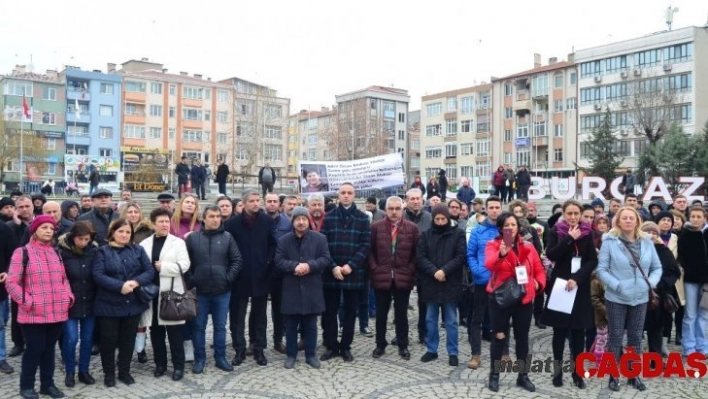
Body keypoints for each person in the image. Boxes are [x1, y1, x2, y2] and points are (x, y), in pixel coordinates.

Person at [6, 215, 74, 399]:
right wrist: (28, 301)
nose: (48, 231)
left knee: (49, 350)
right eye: (44, 227)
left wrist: (67, 296)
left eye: (51, 229)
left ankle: (47, 384)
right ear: (34, 230)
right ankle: (26, 386)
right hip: (33, 313)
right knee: (34, 349)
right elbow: (11, 282)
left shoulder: (55, 252)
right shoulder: (23, 252)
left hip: (57, 311)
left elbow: (63, 279)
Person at [597, 206, 662, 392]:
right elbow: (601, 270)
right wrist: (617, 285)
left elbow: (657, 267)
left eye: (631, 218)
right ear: (617, 221)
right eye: (624, 218)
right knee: (616, 336)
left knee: (635, 336)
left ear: (637, 221)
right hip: (616, 296)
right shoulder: (610, 241)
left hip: (640, 296)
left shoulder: (647, 242)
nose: (627, 221)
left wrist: (650, 283)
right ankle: (613, 374)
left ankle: (633, 374)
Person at [485, 212, 546, 392]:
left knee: (522, 339)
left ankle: (523, 375)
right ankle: (494, 374)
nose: (510, 228)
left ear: (518, 227)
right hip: (501, 299)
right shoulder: (493, 245)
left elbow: (539, 269)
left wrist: (537, 283)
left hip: (523, 299)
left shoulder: (528, 246)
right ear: (500, 229)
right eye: (506, 225)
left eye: (513, 224)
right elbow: (489, 264)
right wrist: (502, 255)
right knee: (499, 337)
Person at [541, 200, 597, 389]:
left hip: (579, 287)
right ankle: (557, 372)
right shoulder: (556, 231)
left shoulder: (588, 232)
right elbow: (552, 255)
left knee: (578, 332)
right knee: (559, 331)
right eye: (569, 213)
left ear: (580, 214)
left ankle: (577, 373)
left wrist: (578, 278)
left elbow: (591, 261)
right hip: (561, 286)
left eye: (576, 213)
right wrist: (569, 239)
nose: (573, 217)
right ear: (563, 214)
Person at [92, 218, 154, 387]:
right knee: (108, 340)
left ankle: (124, 371)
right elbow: (98, 275)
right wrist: (120, 286)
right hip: (108, 304)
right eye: (121, 231)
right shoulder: (102, 252)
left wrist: (136, 282)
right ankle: (109, 372)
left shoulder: (138, 250)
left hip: (132, 304)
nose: (124, 235)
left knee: (128, 339)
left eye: (128, 232)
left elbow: (149, 270)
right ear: (112, 233)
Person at [187, 205, 242, 374]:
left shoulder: (227, 237)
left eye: (218, 216)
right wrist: (192, 280)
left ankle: (220, 358)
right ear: (204, 218)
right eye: (211, 216)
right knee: (198, 327)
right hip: (200, 291)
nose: (215, 219)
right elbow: (185, 263)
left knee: (220, 327)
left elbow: (237, 260)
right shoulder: (193, 238)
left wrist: (227, 278)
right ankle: (200, 359)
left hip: (222, 290)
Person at [320, 183, 371, 362]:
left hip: (353, 272)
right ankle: (332, 346)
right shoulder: (329, 217)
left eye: (350, 192)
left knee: (350, 312)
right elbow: (322, 245)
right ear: (338, 195)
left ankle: (346, 346)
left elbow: (366, 245)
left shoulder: (363, 218)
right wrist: (333, 266)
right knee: (330, 312)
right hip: (331, 272)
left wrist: (351, 265)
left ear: (354, 195)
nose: (346, 196)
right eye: (343, 193)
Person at [275, 207, 331, 369]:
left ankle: (310, 354)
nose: (301, 222)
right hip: (291, 287)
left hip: (311, 287)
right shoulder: (284, 240)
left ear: (308, 221)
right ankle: (291, 355)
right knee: (291, 325)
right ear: (293, 222)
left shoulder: (320, 239)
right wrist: (294, 266)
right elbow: (278, 261)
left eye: (304, 219)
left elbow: (325, 258)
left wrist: (309, 265)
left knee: (311, 325)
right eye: (298, 219)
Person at [225, 189, 276, 367]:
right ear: (244, 203)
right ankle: (239, 349)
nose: (256, 204)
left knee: (259, 314)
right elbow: (228, 248)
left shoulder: (267, 221)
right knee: (237, 316)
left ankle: (259, 348)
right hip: (239, 275)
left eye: (258, 200)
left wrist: (267, 261)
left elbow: (272, 244)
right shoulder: (232, 223)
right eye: (252, 201)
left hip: (261, 274)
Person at [139, 208, 190, 381]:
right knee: (156, 332)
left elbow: (185, 265)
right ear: (153, 224)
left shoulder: (178, 243)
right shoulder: (144, 244)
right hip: (151, 294)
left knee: (175, 333)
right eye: (161, 221)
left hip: (171, 294)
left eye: (167, 221)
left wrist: (165, 267)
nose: (165, 224)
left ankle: (178, 366)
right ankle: (160, 364)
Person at [369, 196, 419, 361]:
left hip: (402, 276)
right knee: (381, 313)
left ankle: (403, 344)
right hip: (381, 275)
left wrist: (409, 270)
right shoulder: (375, 227)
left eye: (397, 208)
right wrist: (375, 268)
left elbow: (416, 253)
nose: (394, 211)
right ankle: (380, 344)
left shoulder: (412, 228)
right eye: (391, 208)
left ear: (402, 210)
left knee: (401, 314)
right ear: (386, 209)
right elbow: (370, 251)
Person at [417, 204, 466, 366]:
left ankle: (453, 352)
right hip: (431, 282)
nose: (439, 222)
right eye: (437, 219)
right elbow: (420, 257)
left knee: (451, 320)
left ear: (447, 218)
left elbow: (460, 256)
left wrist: (444, 271)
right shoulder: (425, 235)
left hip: (450, 282)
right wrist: (434, 272)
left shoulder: (458, 234)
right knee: (430, 319)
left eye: (442, 219)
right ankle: (432, 349)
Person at [57, 221, 99, 388]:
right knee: (71, 338)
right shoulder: (61, 252)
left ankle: (84, 370)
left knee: (87, 339)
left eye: (86, 239)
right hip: (70, 303)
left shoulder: (94, 251)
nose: (83, 242)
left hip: (90, 302)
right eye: (80, 239)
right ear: (73, 237)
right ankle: (69, 371)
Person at [467, 196, 504, 370]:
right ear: (486, 209)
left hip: (503, 281)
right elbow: (471, 254)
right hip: (482, 281)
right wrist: (478, 271)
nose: (494, 210)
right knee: (477, 319)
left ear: (501, 209)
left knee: (503, 319)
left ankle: (504, 353)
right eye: (491, 207)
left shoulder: (507, 230)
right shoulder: (477, 230)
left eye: (497, 207)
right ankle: (476, 355)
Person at [639, 222, 680, 361]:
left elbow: (674, 272)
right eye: (648, 232)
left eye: (654, 232)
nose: (651, 235)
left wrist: (660, 284)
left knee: (656, 329)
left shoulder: (663, 250)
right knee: (634, 328)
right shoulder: (635, 248)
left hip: (658, 295)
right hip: (637, 292)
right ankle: (630, 359)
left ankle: (654, 360)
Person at [677, 206, 708, 357]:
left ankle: (702, 345)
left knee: (704, 314)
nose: (695, 219)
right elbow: (682, 258)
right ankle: (689, 347)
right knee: (690, 314)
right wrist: (693, 271)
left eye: (698, 216)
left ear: (704, 218)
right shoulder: (685, 234)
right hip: (691, 279)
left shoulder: (706, 234)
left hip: (706, 281)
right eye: (693, 216)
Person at [0, 220, 18, 375]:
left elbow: (13, 256)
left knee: (0, 324)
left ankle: (0, 358)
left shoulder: (5, 229)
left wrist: (7, 271)